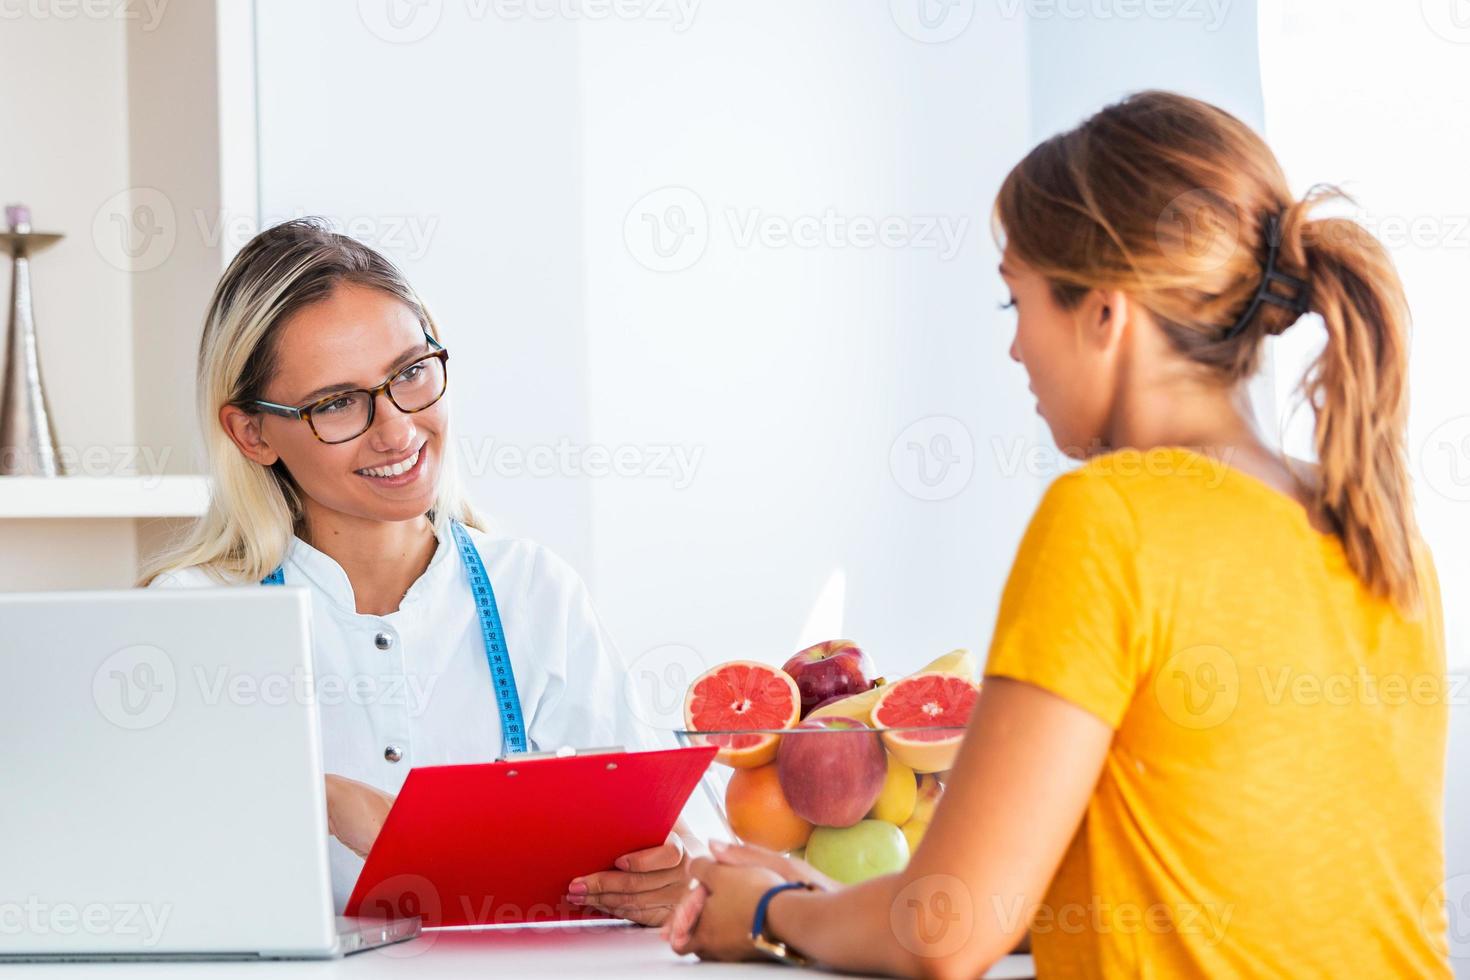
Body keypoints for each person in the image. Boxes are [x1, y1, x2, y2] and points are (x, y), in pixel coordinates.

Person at [663, 91, 1449, 977]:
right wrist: (833, 906)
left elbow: (946, 933)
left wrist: (770, 916)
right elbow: (1211, 887)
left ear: (1105, 314)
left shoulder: (1110, 515)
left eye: (1017, 304)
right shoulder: (1376, 531)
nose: (1014, 351)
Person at [142, 219, 698, 924]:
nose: (399, 429)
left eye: (410, 373)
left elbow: (660, 840)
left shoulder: (533, 592)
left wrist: (668, 877)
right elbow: (158, 873)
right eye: (337, 402)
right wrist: (318, 798)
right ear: (252, 433)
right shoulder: (198, 615)